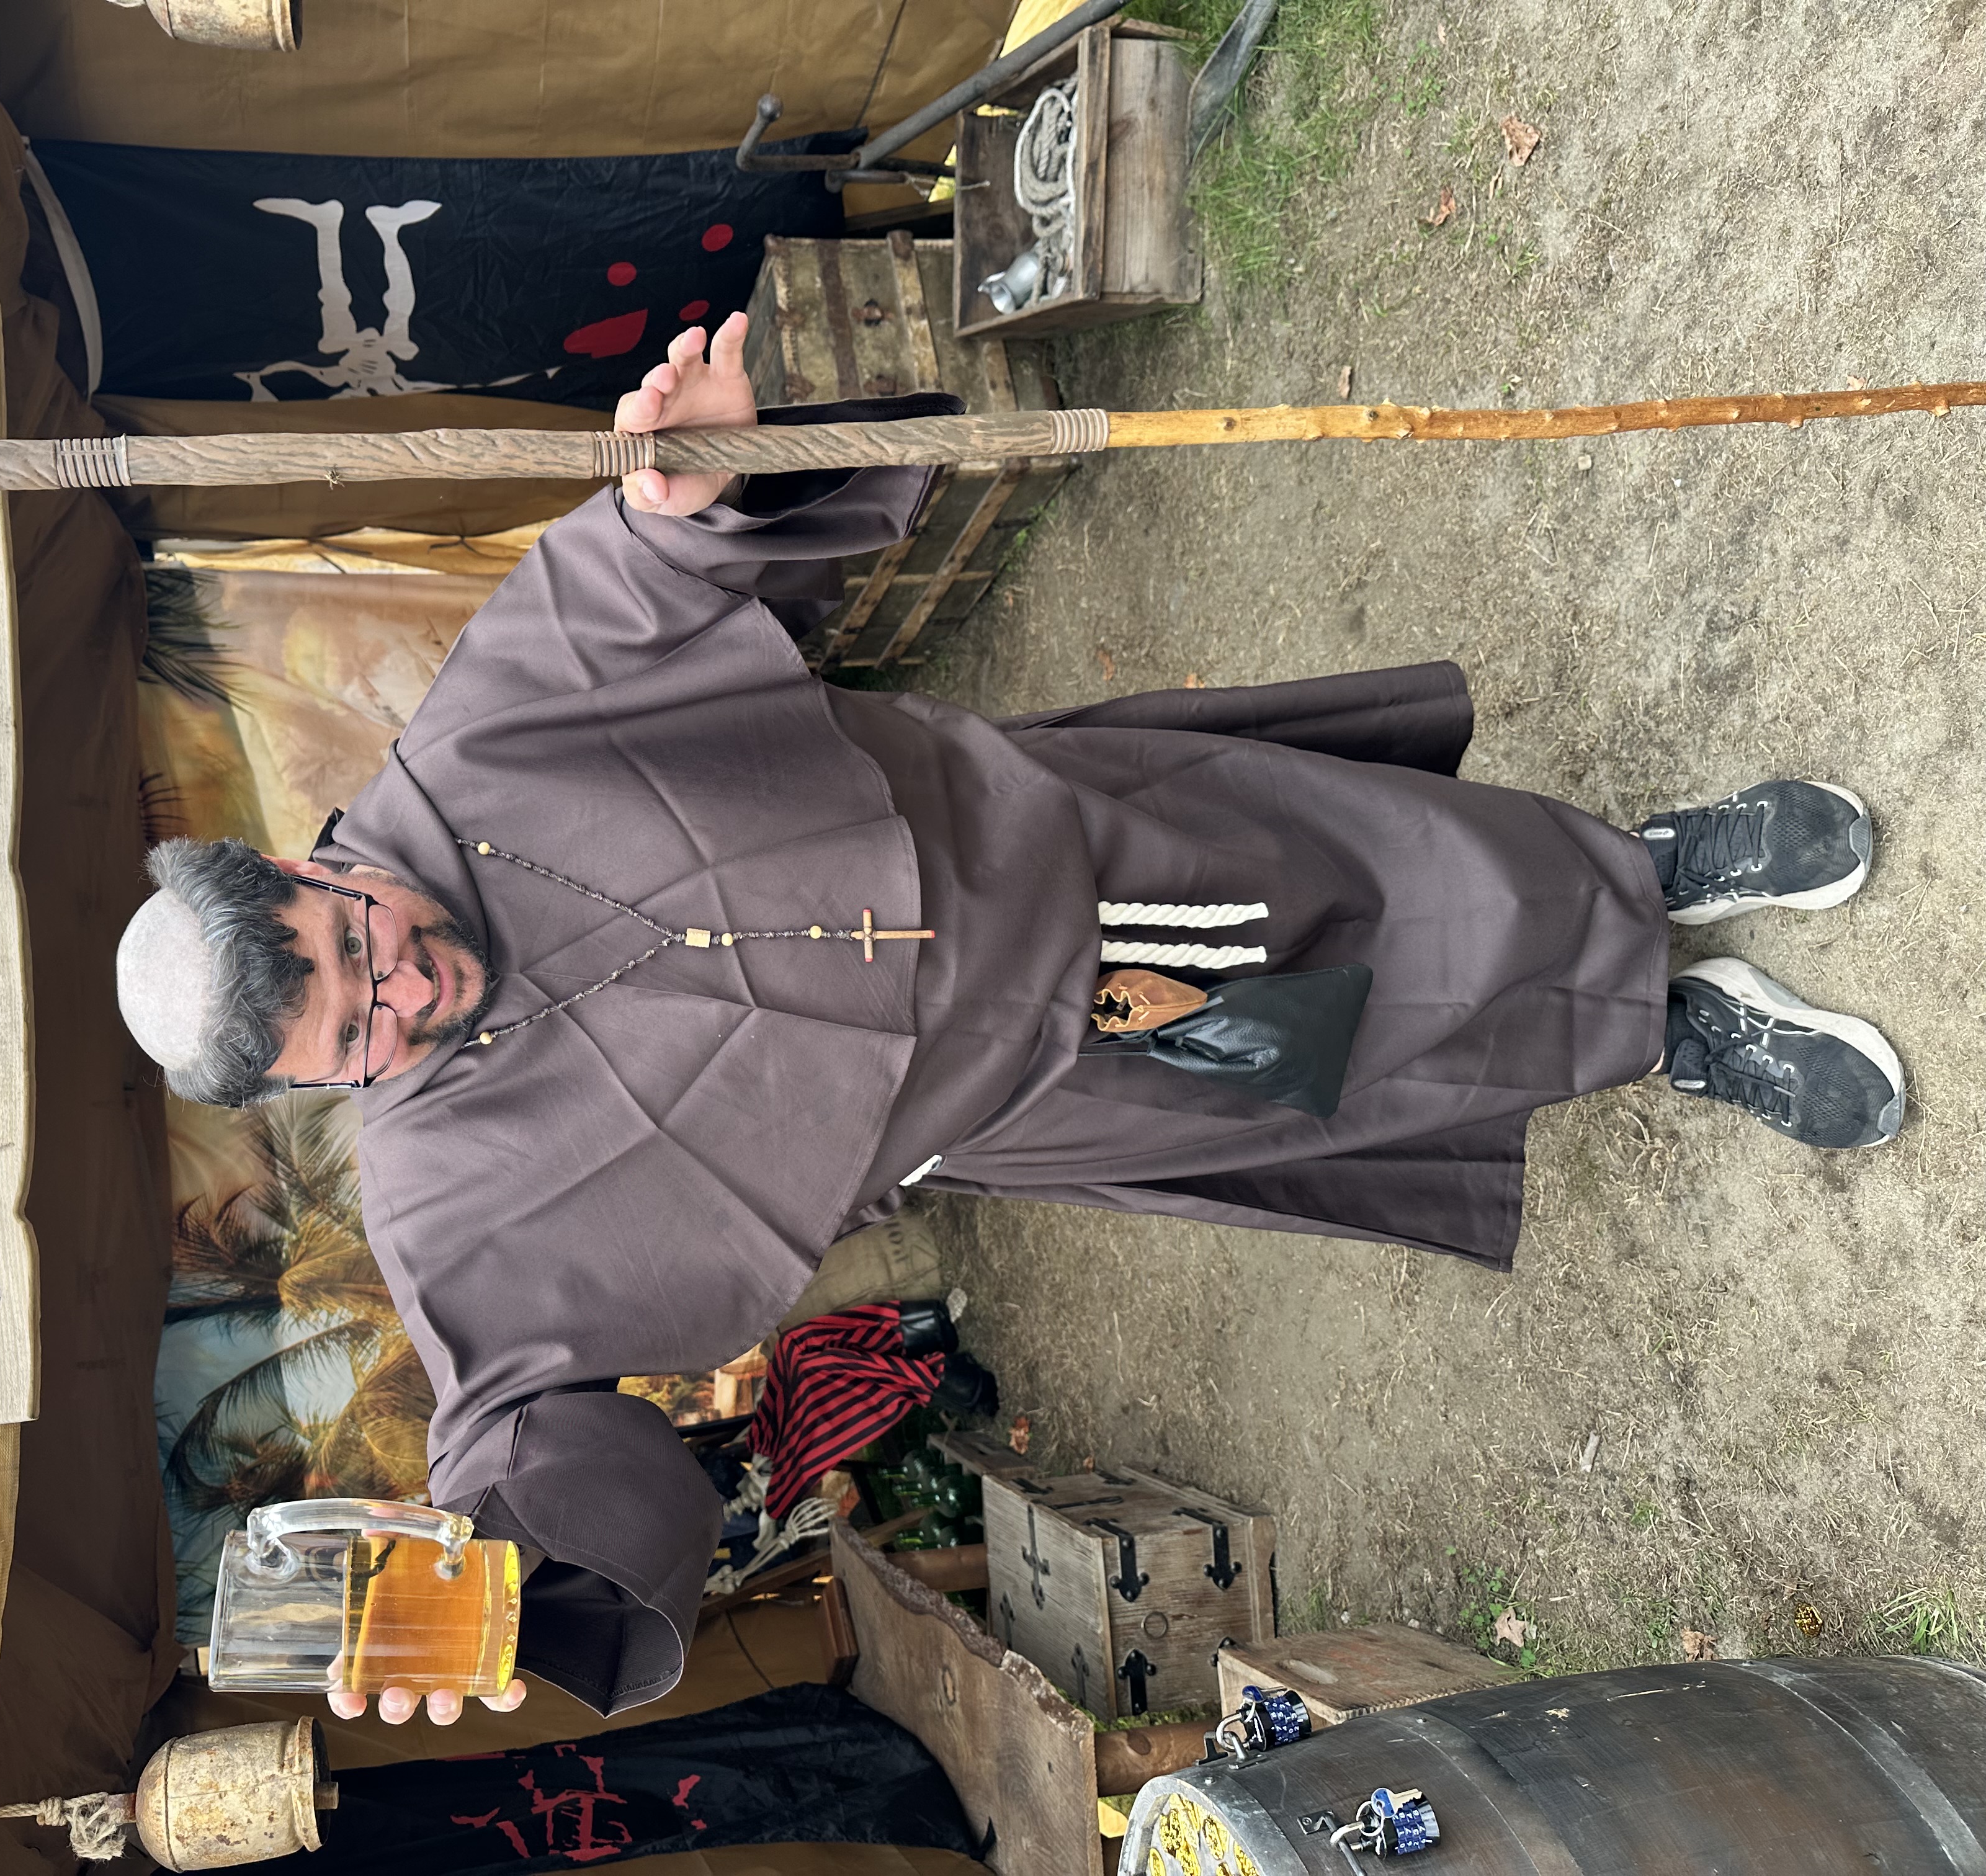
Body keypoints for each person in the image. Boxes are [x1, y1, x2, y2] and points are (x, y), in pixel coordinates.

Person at [114, 312, 1903, 1726]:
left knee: (1388, 867)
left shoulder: (481, 743)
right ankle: (1665, 1031)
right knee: (1353, 1053)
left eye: (362, 941)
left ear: (314, 866)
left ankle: (1649, 874)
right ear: (314, 1087)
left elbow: (650, 570)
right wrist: (512, 1572)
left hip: (1049, 842)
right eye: (356, 1036)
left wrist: (696, 488)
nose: (400, 990)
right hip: (1053, 1072)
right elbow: (534, 1445)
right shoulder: (446, 1209)